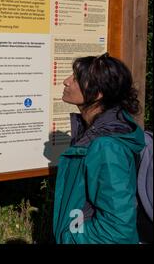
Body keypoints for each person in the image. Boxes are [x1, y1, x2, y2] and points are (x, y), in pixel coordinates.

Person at [53, 53, 145, 244]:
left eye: (76, 78)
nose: (66, 81)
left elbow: (118, 229)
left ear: (97, 94)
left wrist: (69, 238)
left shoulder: (107, 146)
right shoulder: (94, 133)